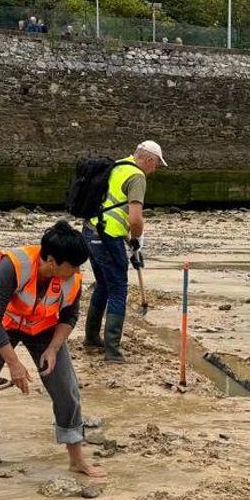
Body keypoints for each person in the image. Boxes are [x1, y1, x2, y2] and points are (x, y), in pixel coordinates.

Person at [0, 221, 104, 478]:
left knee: (67, 390)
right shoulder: (13, 266)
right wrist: (14, 363)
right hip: (1, 324)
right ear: (51, 260)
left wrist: (52, 349)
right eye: (73, 265)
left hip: (44, 329)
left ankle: (77, 460)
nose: (77, 271)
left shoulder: (73, 279)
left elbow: (69, 318)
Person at [82, 140, 167, 362]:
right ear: (148, 159)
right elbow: (135, 218)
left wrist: (128, 240)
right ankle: (112, 352)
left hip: (90, 231)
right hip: (108, 237)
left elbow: (111, 207)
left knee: (102, 285)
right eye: (156, 164)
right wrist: (137, 240)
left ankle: (91, 338)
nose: (155, 170)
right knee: (118, 289)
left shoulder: (117, 166)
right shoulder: (137, 176)